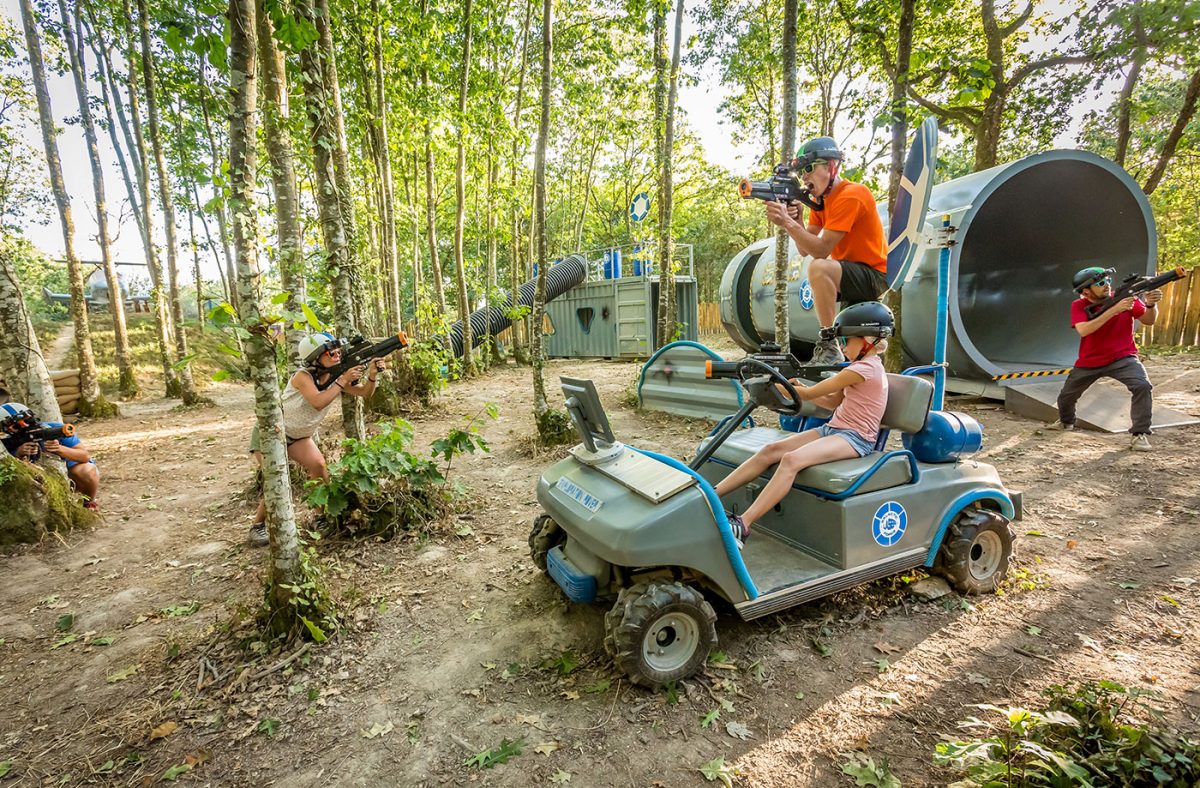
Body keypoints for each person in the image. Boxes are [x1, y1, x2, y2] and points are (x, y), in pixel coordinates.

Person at [715, 301, 893, 543]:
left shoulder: (865, 369)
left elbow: (812, 394)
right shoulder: (858, 367)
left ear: (866, 341)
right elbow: (831, 403)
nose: (842, 347)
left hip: (856, 439)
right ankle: (711, 496)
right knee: (771, 451)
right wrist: (796, 387)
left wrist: (788, 388)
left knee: (791, 460)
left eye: (845, 341)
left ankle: (743, 525)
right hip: (834, 430)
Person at [248, 332, 387, 546]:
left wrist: (372, 376)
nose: (337, 356)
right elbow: (317, 402)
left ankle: (321, 517)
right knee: (277, 479)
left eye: (338, 352)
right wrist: (342, 380)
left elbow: (364, 393)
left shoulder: (335, 376)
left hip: (299, 436)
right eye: (331, 353)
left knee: (319, 467)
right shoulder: (303, 376)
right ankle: (257, 526)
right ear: (315, 357)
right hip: (272, 434)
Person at [763, 136, 889, 365]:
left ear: (831, 166)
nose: (805, 178)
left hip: (873, 275)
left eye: (809, 169)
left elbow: (821, 251)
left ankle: (828, 343)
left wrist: (786, 223)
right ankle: (838, 354)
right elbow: (804, 249)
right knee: (858, 354)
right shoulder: (823, 202)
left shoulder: (852, 194)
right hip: (849, 276)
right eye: (802, 173)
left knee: (819, 267)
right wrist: (797, 221)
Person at [1049, 266, 1162, 451]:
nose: (1107, 285)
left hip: (1123, 357)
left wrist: (1150, 305)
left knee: (1142, 386)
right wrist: (1114, 310)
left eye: (1108, 281)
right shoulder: (1079, 305)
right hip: (1089, 361)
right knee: (1066, 397)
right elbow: (1084, 329)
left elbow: (1149, 321)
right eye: (1101, 283)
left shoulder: (1126, 296)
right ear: (1086, 292)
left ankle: (1139, 434)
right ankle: (1066, 422)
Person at [0, 399, 100, 509]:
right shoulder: (7, 443)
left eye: (27, 420)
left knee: (88, 470)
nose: (25, 426)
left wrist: (59, 449)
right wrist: (18, 454)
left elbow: (84, 456)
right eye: (16, 426)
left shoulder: (54, 428)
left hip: (70, 476)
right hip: (37, 484)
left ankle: (89, 503)